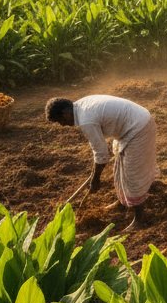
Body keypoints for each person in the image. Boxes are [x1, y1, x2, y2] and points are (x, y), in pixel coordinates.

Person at [45, 95, 160, 232]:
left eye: (60, 121)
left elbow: (101, 153)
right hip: (130, 125)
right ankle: (122, 202)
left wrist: (95, 179)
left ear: (65, 113)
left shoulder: (86, 120)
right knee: (120, 168)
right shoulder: (80, 106)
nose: (63, 125)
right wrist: (95, 174)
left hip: (139, 128)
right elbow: (100, 152)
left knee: (131, 174)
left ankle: (139, 219)